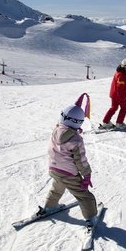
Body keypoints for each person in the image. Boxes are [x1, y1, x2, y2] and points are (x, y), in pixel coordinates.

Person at [38, 93, 97, 228]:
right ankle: (91, 218)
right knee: (84, 196)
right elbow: (80, 160)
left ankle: (49, 206)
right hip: (69, 173)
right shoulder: (76, 140)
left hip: (53, 169)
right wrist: (86, 175)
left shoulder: (55, 130)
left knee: (57, 188)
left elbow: (65, 130)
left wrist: (73, 130)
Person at [101, 59, 126, 129]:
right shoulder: (122, 75)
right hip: (119, 96)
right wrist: (121, 97)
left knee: (113, 107)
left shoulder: (118, 72)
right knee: (124, 108)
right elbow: (119, 87)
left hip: (114, 94)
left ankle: (106, 122)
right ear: (123, 66)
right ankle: (119, 123)